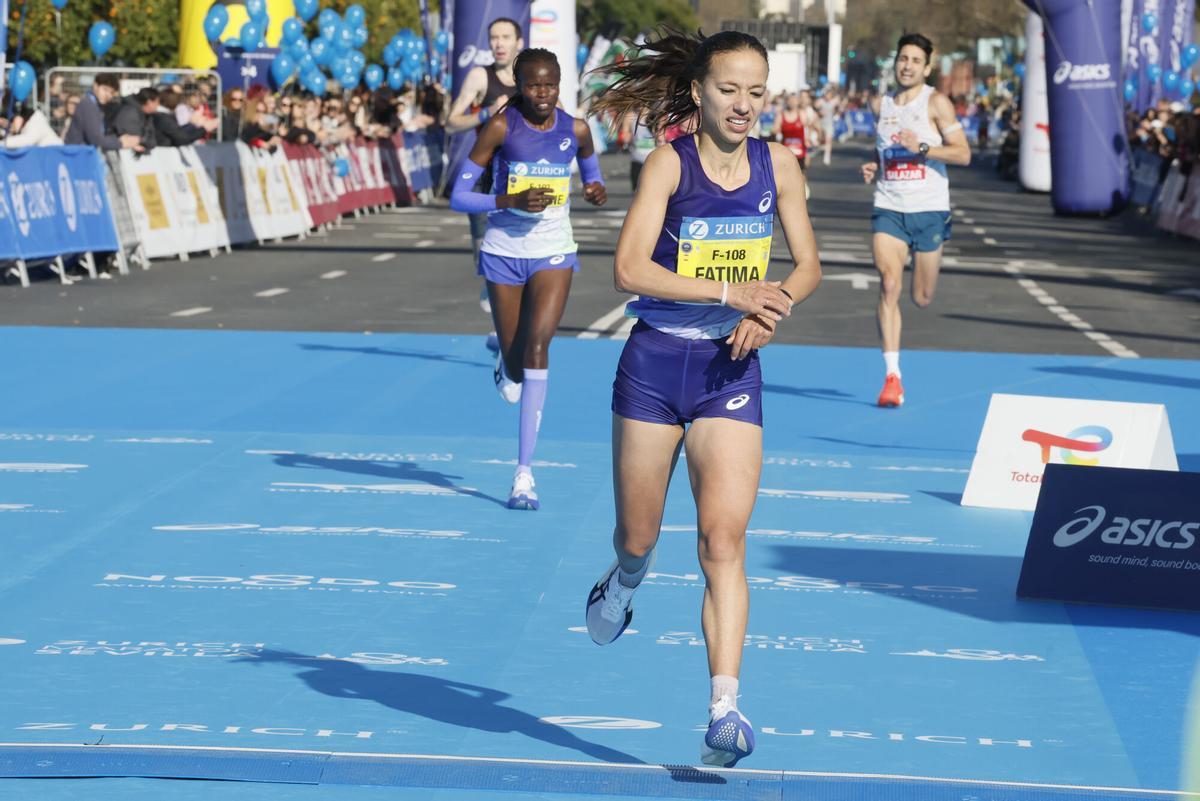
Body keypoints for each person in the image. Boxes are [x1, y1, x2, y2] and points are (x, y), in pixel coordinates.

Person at [584, 29, 821, 768]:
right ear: (699, 92)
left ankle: (724, 708)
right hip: (655, 365)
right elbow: (627, 269)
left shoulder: (775, 163)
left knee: (723, 539)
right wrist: (727, 289)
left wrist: (768, 307)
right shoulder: (668, 164)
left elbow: (809, 263)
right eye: (730, 90)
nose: (745, 105)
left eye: (757, 92)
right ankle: (623, 581)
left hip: (729, 370)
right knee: (640, 536)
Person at [450, 48, 607, 510]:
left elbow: (592, 177)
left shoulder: (575, 128)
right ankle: (504, 355)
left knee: (539, 347)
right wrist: (509, 200)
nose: (543, 94)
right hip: (502, 252)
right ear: (519, 85)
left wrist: (594, 189)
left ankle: (523, 476)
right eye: (534, 85)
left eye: (551, 84)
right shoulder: (500, 128)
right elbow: (459, 197)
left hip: (554, 251)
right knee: (517, 363)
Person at [860, 33, 971, 407]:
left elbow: (964, 154)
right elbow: (883, 149)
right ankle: (892, 377)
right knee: (889, 283)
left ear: (927, 67)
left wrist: (921, 147)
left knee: (921, 297)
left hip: (929, 208)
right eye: (902, 58)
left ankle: (931, 254)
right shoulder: (882, 104)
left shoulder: (936, 103)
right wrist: (875, 165)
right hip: (889, 205)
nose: (906, 65)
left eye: (914, 60)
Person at [445, 17, 523, 345]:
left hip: (519, 177)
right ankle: (494, 304)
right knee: (484, 252)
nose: (499, 43)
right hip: (482, 175)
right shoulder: (480, 76)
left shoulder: (530, 78)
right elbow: (450, 122)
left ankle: (502, 329)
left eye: (506, 37)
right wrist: (483, 113)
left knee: (519, 248)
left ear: (519, 42)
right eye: (494, 38)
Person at [63, 74, 142, 151]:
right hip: (78, 155)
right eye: (105, 89)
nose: (108, 95)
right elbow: (95, 139)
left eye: (111, 92)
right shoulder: (89, 105)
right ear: (95, 86)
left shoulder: (95, 104)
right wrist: (121, 142)